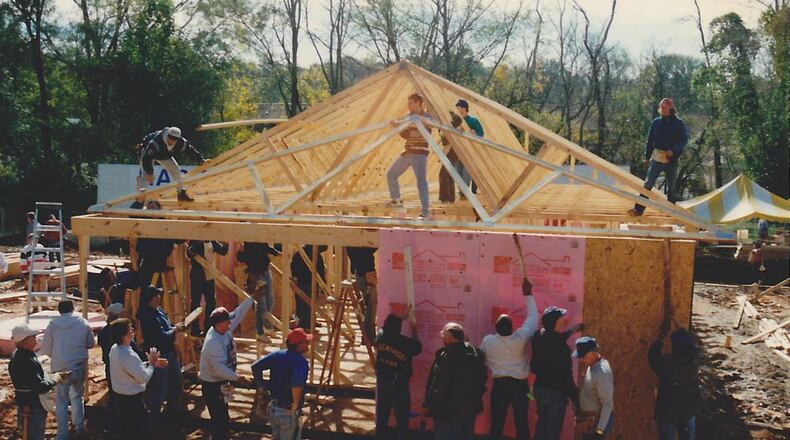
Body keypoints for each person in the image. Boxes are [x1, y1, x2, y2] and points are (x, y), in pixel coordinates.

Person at [479, 279, 538, 440]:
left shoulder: (489, 341)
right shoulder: (521, 337)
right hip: (520, 386)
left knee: (497, 424)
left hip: (500, 385)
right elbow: (533, 318)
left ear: (495, 328)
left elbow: (481, 360)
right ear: (512, 327)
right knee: (522, 424)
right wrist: (528, 295)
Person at [199, 296, 254, 440]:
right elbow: (219, 369)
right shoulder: (212, 342)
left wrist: (252, 298)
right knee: (219, 420)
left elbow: (238, 313)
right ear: (218, 324)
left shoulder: (224, 329)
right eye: (226, 321)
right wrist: (239, 378)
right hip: (213, 385)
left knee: (223, 416)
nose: (230, 322)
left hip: (221, 383)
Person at [40, 299, 96, 440]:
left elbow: (46, 349)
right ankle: (79, 427)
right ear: (72, 309)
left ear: (59, 311)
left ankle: (62, 434)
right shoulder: (83, 322)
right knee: (77, 397)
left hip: (60, 369)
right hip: (78, 366)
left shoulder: (53, 325)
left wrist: (59, 355)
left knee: (61, 402)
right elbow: (90, 343)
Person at [422, 322, 487, 440]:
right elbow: (482, 381)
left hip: (446, 411)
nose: (441, 338)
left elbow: (438, 384)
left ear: (450, 338)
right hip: (469, 409)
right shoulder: (476, 354)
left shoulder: (446, 356)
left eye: (443, 336)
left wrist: (428, 404)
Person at [531, 306, 585, 440]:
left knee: (542, 424)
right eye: (561, 318)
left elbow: (553, 336)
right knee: (552, 431)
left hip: (540, 389)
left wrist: (571, 331)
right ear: (556, 322)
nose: (563, 320)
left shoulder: (539, 337)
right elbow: (566, 376)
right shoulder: (561, 349)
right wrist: (576, 401)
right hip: (555, 393)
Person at [109, 318, 168, 440]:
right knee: (139, 432)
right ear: (124, 335)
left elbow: (131, 368)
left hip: (120, 397)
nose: (133, 331)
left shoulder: (115, 349)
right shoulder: (128, 355)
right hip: (132, 400)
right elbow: (144, 377)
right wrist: (151, 364)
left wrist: (150, 363)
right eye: (130, 329)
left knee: (126, 430)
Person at [9, 323, 70, 440]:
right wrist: (56, 379)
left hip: (24, 403)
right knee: (35, 435)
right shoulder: (27, 359)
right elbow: (40, 386)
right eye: (33, 336)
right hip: (33, 406)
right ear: (25, 340)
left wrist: (52, 376)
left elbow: (32, 379)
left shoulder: (19, 355)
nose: (35, 338)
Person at [629, 97, 688, 216]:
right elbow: (650, 140)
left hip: (671, 159)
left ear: (671, 109)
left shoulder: (678, 123)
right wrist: (647, 156)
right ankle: (638, 209)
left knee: (671, 188)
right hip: (657, 156)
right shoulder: (656, 122)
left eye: (665, 108)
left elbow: (684, 139)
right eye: (662, 108)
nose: (663, 110)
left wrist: (673, 150)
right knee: (648, 185)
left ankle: (671, 213)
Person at [136, 286, 186, 428]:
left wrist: (174, 328)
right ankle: (154, 421)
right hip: (159, 354)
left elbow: (167, 327)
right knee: (159, 388)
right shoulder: (148, 316)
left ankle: (172, 413)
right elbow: (161, 337)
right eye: (157, 296)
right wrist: (175, 330)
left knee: (175, 382)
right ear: (150, 299)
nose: (160, 298)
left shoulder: (159, 310)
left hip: (169, 352)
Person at [251, 328, 314, 440]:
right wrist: (295, 404)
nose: (308, 343)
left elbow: (256, 367)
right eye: (306, 341)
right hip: (288, 411)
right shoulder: (300, 362)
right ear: (298, 345)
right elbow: (297, 384)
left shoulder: (277, 355)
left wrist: (262, 387)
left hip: (274, 408)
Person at [375, 312, 422, 440]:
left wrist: (401, 317)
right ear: (399, 329)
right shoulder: (403, 342)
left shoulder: (380, 336)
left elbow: (385, 328)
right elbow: (418, 348)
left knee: (382, 415)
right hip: (398, 384)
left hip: (383, 381)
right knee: (402, 417)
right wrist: (413, 328)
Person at [386, 93, 433, 219]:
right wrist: (399, 127)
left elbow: (430, 125)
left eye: (411, 103)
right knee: (391, 174)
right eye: (408, 103)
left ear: (419, 103)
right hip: (408, 152)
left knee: (421, 182)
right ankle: (396, 201)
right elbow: (407, 135)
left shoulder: (426, 116)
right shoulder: (409, 117)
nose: (409, 105)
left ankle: (425, 211)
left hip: (420, 154)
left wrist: (412, 121)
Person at [649, 329, 700, 440]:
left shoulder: (666, 365)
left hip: (668, 413)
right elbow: (691, 344)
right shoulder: (693, 362)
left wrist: (660, 339)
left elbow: (652, 357)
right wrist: (674, 319)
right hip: (688, 410)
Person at [137, 126, 208, 202]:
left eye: (175, 140)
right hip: (147, 152)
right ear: (167, 135)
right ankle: (140, 200)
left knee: (176, 170)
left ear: (178, 139)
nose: (171, 141)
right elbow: (146, 158)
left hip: (164, 154)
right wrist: (150, 173)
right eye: (170, 138)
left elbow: (190, 151)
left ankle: (181, 194)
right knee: (145, 176)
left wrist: (201, 160)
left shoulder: (181, 142)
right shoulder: (155, 143)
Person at [237, 242, 280, 340]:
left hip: (265, 271)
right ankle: (259, 332)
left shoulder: (259, 238)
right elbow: (240, 258)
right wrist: (240, 251)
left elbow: (265, 248)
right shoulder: (247, 242)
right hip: (256, 274)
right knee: (261, 305)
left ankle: (267, 327)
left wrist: (276, 253)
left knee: (270, 301)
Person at [135, 201, 183, 289]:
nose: (150, 210)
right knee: (146, 290)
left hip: (159, 263)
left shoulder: (166, 225)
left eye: (153, 207)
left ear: (159, 209)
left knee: (157, 292)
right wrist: (139, 202)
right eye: (148, 208)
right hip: (146, 262)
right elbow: (133, 214)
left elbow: (179, 238)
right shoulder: (143, 223)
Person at [574, 337, 614, 439]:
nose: (581, 360)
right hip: (589, 423)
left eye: (583, 356)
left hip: (595, 425)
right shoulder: (592, 365)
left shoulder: (602, 373)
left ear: (593, 353)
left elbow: (607, 404)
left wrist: (599, 431)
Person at [188, 240, 230, 336]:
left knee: (211, 301)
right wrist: (197, 244)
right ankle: (195, 329)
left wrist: (226, 243)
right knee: (195, 303)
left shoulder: (212, 242)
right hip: (197, 275)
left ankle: (208, 328)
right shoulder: (195, 240)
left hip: (209, 275)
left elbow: (223, 251)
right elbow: (189, 253)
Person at [291, 245, 327, 330]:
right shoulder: (316, 254)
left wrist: (295, 276)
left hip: (301, 281)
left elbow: (292, 266)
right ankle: (306, 324)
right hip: (311, 282)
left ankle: (305, 323)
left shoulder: (298, 253)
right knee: (309, 304)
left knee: (302, 304)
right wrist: (323, 284)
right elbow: (320, 270)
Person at [454, 99, 484, 195]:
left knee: (467, 172)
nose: (458, 109)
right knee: (457, 172)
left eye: (459, 107)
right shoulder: (455, 121)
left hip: (469, 151)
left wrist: (475, 133)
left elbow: (481, 134)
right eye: (457, 108)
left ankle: (464, 192)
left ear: (464, 108)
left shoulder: (473, 120)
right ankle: (461, 189)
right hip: (458, 150)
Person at [348, 246, 377, 341]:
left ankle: (369, 335)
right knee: (371, 306)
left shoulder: (351, 242)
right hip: (366, 275)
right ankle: (368, 337)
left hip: (361, 274)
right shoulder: (359, 245)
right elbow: (367, 252)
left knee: (369, 305)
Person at [438, 111, 465, 203]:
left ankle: (445, 198)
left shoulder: (450, 125)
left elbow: (459, 121)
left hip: (452, 151)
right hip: (451, 151)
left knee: (443, 174)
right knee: (449, 174)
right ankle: (450, 198)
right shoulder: (442, 125)